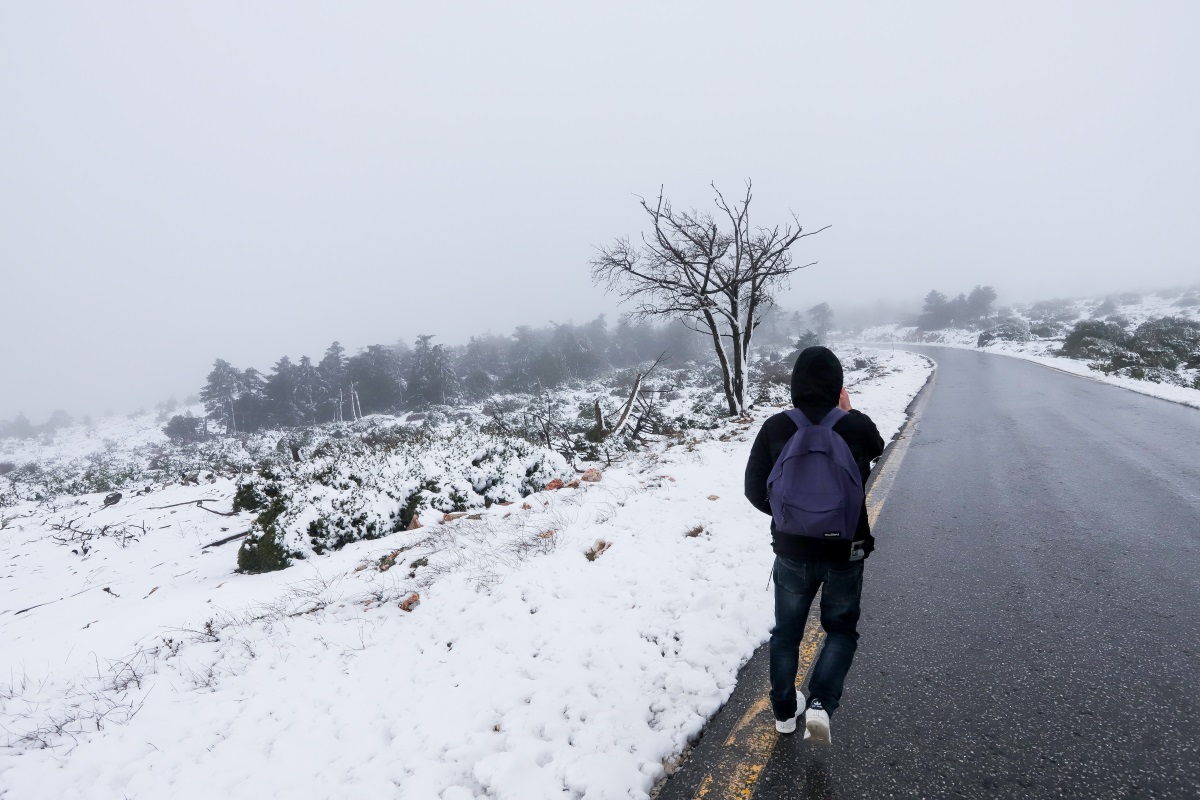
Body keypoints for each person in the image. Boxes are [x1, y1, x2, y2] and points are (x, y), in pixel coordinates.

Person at [744, 346, 885, 744]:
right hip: (846, 550)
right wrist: (849, 411)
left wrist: (789, 517)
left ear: (795, 385)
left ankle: (785, 713)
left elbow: (754, 489)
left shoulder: (775, 427)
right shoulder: (856, 426)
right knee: (840, 631)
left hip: (792, 552)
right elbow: (877, 449)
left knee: (787, 635)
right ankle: (821, 703)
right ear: (838, 385)